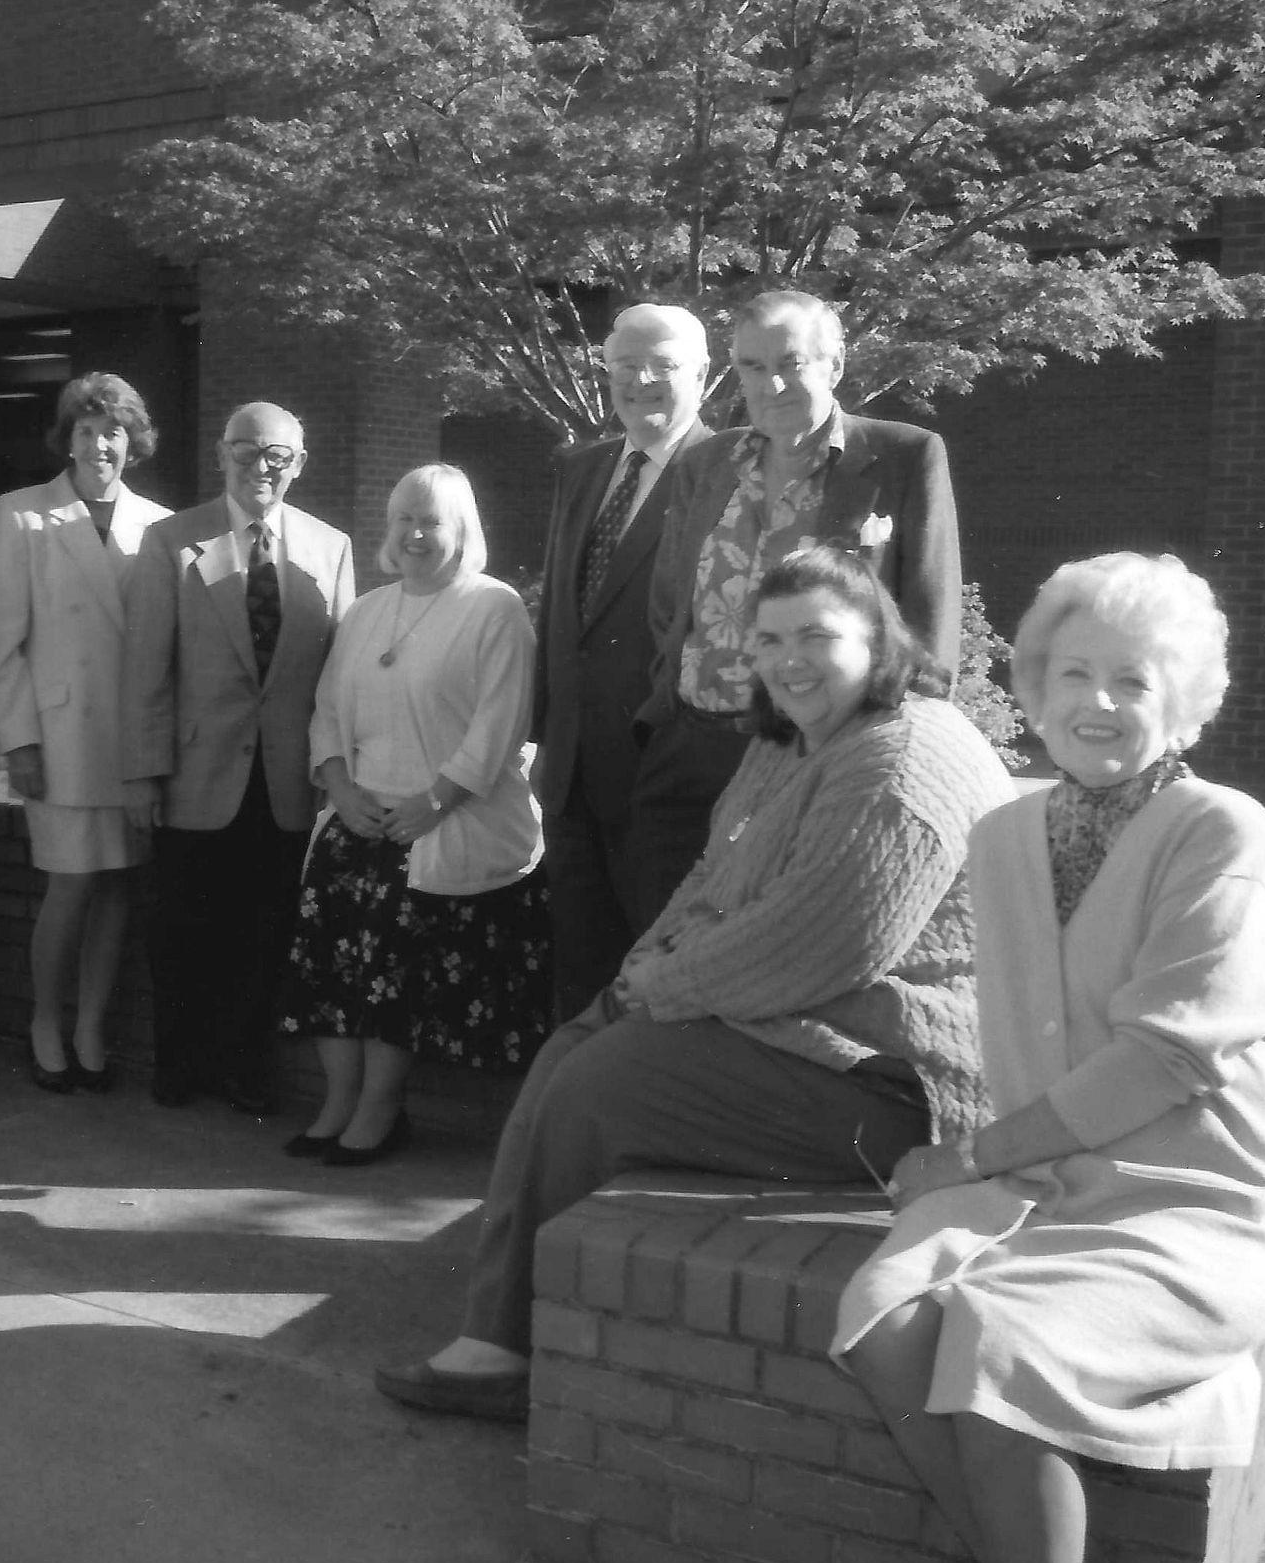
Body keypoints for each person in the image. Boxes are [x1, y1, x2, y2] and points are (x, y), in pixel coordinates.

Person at [835, 554, 1265, 1563]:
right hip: (1060, 1175)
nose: (1098, 701)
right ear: (1033, 688)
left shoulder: (1222, 830)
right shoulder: (1006, 828)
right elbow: (971, 992)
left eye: (1133, 679)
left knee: (994, 1344)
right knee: (883, 1321)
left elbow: (1168, 1054)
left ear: (1190, 702)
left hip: (1207, 1197)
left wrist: (974, 1156)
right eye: (1072, 674)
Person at [376, 545, 1013, 1421]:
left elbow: (816, 947)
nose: (789, 660)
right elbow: (715, 880)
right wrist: (647, 969)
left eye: (817, 636)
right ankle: (503, 1328)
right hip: (797, 1024)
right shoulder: (791, 740)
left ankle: (514, 1349)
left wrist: (661, 988)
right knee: (575, 1043)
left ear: (878, 639)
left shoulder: (900, 765)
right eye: (769, 639)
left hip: (895, 1078)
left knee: (602, 1084)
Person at [625, 290, 961, 933]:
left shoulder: (903, 457)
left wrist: (892, 753)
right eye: (751, 366)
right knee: (660, 931)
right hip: (690, 746)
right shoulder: (704, 463)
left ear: (834, 366)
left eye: (791, 362)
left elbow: (928, 620)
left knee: (769, 940)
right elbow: (671, 602)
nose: (770, 383)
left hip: (810, 754)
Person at [283, 465, 549, 1164]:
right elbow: (330, 711)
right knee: (330, 971)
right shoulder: (367, 611)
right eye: (404, 519)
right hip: (358, 817)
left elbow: (499, 725)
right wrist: (338, 786)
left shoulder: (495, 609)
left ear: (462, 530)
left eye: (432, 520)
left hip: (440, 826)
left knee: (394, 974)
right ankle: (337, 1100)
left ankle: (379, 1109)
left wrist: (434, 801)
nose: (415, 534)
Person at [123, 402, 364, 1116]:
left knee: (267, 934)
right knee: (183, 930)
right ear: (222, 454)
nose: (261, 467)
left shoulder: (333, 548)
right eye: (247, 451)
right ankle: (181, 1064)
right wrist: (141, 772)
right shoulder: (172, 541)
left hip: (288, 781)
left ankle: (245, 1070)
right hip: (194, 775)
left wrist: (337, 773)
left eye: (278, 455)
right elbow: (145, 668)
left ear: (299, 463)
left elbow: (341, 678)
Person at [0, 373, 173, 1090]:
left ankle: (92, 1026)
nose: (100, 444)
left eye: (114, 431)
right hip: (61, 739)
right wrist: (19, 741)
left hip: (129, 745)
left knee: (120, 887)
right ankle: (45, 1021)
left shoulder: (159, 524)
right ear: (67, 438)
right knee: (70, 886)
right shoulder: (22, 514)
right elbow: (5, 643)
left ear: (133, 443)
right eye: (87, 430)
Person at [536, 304, 715, 1020]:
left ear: (702, 374)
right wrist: (542, 735)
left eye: (663, 367)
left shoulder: (726, 472)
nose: (640, 381)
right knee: (578, 980)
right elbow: (562, 613)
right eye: (623, 366)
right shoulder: (580, 468)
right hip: (571, 776)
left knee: (659, 982)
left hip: (664, 782)